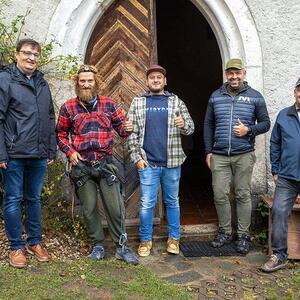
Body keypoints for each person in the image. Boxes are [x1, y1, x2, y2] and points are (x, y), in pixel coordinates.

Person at [56, 64, 138, 265]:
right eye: (82, 81)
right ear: (77, 83)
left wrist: (129, 127)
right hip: (82, 167)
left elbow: (123, 130)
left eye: (89, 81)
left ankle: (121, 247)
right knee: (89, 208)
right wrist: (70, 151)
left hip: (105, 164)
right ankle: (98, 246)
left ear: (96, 82)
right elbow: (59, 135)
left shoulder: (109, 105)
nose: (86, 84)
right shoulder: (68, 107)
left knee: (115, 207)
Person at [204, 58, 270, 254]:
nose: (234, 76)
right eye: (230, 73)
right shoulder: (216, 96)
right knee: (220, 193)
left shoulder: (255, 97)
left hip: (244, 154)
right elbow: (208, 124)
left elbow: (265, 123)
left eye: (237, 73)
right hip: (220, 155)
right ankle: (224, 232)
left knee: (242, 194)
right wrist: (208, 151)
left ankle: (243, 235)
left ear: (244, 74)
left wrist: (248, 130)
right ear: (226, 74)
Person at [0, 38, 56, 268]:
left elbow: (50, 117)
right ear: (16, 54)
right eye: (27, 53)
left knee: (33, 198)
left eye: (36, 54)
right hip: (13, 154)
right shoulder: (5, 80)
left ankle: (35, 241)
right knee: (12, 199)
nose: (32, 58)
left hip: (39, 154)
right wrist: (1, 153)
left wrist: (50, 148)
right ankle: (16, 247)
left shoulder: (42, 83)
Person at [127, 64, 194, 257]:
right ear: (147, 81)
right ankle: (145, 240)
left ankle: (174, 239)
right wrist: (136, 157)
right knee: (147, 203)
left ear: (165, 81)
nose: (155, 80)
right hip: (148, 163)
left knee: (172, 201)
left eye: (159, 77)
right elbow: (132, 132)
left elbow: (190, 127)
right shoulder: (138, 102)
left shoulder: (175, 101)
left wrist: (183, 125)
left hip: (172, 163)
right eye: (152, 77)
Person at [261, 78, 300, 272]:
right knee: (278, 212)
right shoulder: (284, 115)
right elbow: (274, 143)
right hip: (287, 177)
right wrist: (275, 170)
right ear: (295, 92)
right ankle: (279, 255)